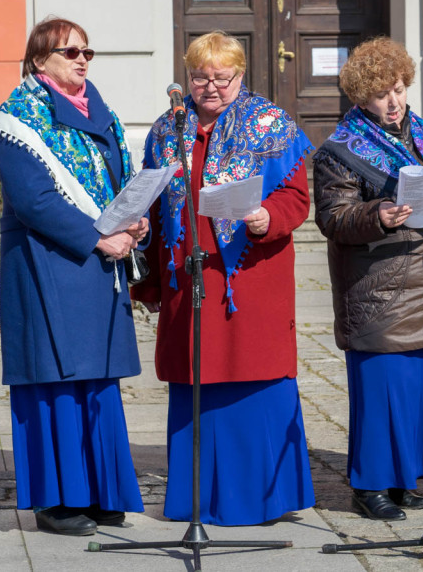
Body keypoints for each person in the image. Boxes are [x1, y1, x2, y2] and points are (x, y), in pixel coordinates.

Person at [131, 31, 315, 526]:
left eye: (222, 77)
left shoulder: (272, 123)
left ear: (241, 75)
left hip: (251, 277)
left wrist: (266, 218)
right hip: (190, 280)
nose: (209, 86)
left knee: (255, 381)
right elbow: (151, 199)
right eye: (199, 76)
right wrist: (149, 283)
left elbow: (296, 197)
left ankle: (261, 498)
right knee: (197, 383)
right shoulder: (168, 128)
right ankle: (198, 499)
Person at [0, 16, 148, 536]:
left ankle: (102, 492)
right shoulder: (17, 118)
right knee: (54, 380)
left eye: (87, 52)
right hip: (47, 262)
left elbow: (118, 181)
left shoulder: (101, 113)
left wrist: (133, 222)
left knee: (97, 381)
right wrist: (100, 237)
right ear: (39, 61)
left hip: (99, 263)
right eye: (69, 52)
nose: (82, 59)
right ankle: (57, 501)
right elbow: (34, 200)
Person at [312, 36, 423, 521]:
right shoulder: (339, 150)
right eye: (382, 93)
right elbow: (332, 217)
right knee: (384, 392)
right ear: (361, 97)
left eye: (400, 89)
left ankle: (408, 482)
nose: (394, 101)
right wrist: (378, 215)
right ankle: (372, 487)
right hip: (378, 290)